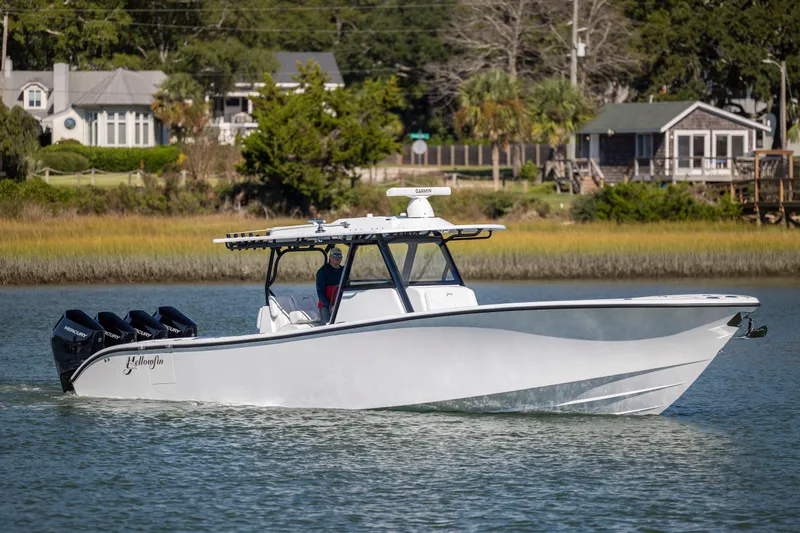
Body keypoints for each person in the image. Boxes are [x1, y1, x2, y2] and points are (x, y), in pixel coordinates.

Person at [316, 247, 343, 323]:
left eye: (339, 256)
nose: (337, 258)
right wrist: (330, 306)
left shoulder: (344, 271)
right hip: (326, 306)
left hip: (341, 305)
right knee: (327, 323)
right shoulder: (322, 272)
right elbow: (320, 293)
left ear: (341, 258)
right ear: (330, 257)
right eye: (334, 255)